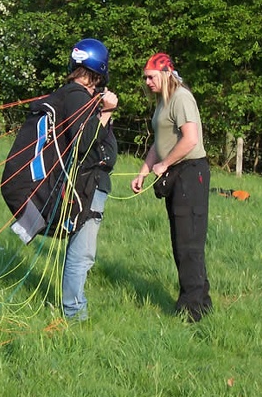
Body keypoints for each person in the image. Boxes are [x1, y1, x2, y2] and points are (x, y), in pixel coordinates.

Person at [130, 52, 212, 322]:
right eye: (145, 77)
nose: (147, 81)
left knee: (189, 243)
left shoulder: (181, 98)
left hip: (191, 173)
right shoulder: (162, 102)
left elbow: (190, 140)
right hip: (175, 172)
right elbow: (160, 141)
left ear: (166, 73)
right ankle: (202, 301)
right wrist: (144, 171)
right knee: (181, 241)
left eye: (151, 76)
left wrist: (164, 165)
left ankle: (191, 311)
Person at [59, 38, 119, 320]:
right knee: (83, 252)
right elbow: (84, 142)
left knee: (83, 250)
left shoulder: (80, 97)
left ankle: (73, 309)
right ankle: (74, 313)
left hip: (92, 182)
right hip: (87, 183)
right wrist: (106, 111)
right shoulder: (75, 96)